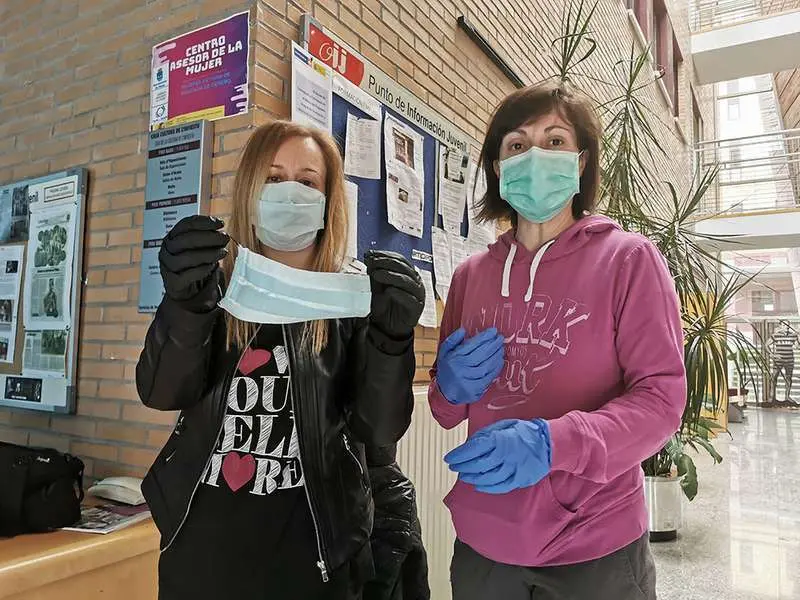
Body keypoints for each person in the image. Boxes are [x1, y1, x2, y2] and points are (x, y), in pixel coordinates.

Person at [137, 120, 427, 600]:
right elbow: (161, 392)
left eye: (308, 182)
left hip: (314, 553)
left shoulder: (350, 301)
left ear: (328, 201)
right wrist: (184, 307)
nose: (290, 193)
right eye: (273, 178)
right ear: (251, 189)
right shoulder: (213, 286)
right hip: (204, 550)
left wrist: (392, 340)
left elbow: (379, 429)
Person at [428, 82, 686, 600]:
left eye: (554, 141)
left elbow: (661, 401)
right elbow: (445, 411)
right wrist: (449, 388)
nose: (535, 156)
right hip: (484, 544)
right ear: (498, 168)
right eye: (517, 145)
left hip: (595, 545)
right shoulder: (470, 276)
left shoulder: (628, 260)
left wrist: (554, 444)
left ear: (581, 161)